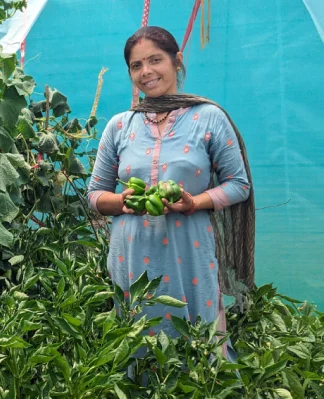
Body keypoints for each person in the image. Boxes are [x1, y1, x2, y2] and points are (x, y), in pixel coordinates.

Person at [87, 26, 256, 360]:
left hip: (189, 253)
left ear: (177, 61)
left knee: (197, 342)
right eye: (137, 65)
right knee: (136, 343)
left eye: (155, 60)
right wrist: (123, 202)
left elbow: (239, 185)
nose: (147, 71)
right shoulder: (120, 126)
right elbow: (95, 195)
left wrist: (193, 202)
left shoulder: (209, 117)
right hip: (131, 255)